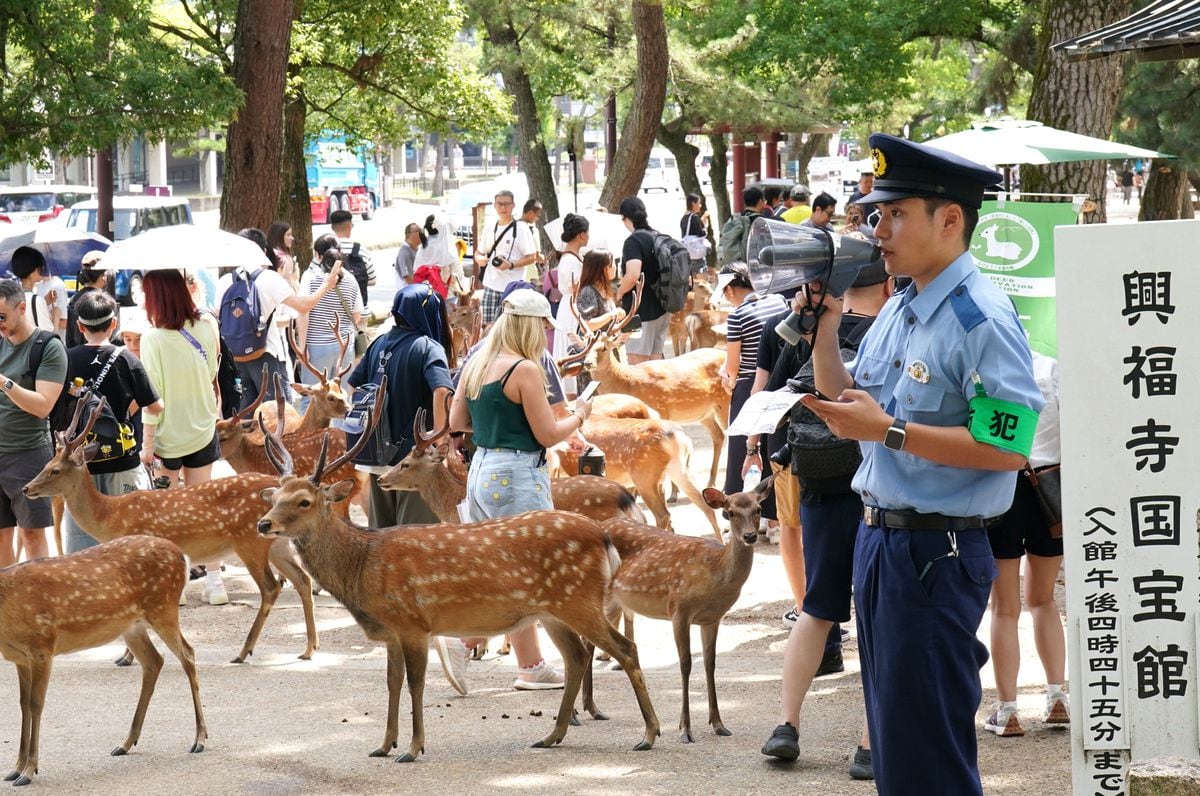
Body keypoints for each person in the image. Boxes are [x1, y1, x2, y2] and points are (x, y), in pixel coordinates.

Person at [798, 133, 1043, 794]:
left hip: (937, 553)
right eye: (877, 214)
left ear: (950, 219)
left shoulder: (978, 319)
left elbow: (1010, 444)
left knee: (928, 755)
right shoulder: (903, 305)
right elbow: (856, 398)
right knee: (896, 749)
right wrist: (823, 329)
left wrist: (894, 432)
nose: (879, 230)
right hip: (881, 542)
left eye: (896, 213)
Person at [760, 262, 893, 778]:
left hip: (819, 490)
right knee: (877, 618)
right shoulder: (893, 335)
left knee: (817, 609)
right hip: (873, 492)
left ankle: (786, 725)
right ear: (888, 284)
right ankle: (868, 743)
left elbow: (780, 394)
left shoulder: (809, 331)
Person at [444, 289, 593, 694]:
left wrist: (500, 423)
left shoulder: (478, 362)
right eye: (543, 327)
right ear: (530, 326)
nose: (546, 336)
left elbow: (458, 420)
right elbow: (546, 434)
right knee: (535, 572)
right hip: (517, 473)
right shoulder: (525, 369)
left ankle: (531, 665)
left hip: (482, 470)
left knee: (508, 570)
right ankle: (463, 638)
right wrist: (579, 414)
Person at [984, 350, 1067, 737]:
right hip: (1051, 491)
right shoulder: (1052, 367)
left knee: (1004, 608)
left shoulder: (988, 373)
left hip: (1002, 489)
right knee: (1044, 598)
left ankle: (1008, 710)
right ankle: (1057, 697)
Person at [138, 269, 229, 604]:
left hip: (166, 437)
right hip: (202, 427)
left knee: (169, 513)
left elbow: (153, 398)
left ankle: (175, 585)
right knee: (205, 508)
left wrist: (147, 445)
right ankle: (215, 581)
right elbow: (210, 373)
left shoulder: (152, 338)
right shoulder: (207, 325)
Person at [61, 290, 162, 553]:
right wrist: (128, 407)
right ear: (114, 324)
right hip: (123, 459)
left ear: (79, 326)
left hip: (80, 463)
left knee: (83, 544)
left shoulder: (65, 358)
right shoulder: (127, 358)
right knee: (129, 540)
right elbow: (156, 405)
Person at [347, 282, 454, 529]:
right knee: (413, 538)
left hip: (375, 456)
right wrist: (441, 441)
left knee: (383, 538)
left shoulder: (378, 342)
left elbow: (353, 387)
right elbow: (441, 390)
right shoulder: (428, 347)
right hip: (414, 461)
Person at [218, 239, 345, 408]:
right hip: (266, 355)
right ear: (263, 249)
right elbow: (303, 305)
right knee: (279, 416)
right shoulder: (269, 278)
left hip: (235, 360)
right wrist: (326, 286)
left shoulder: (224, 281)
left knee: (246, 420)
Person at [0, 277, 67, 566]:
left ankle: (40, 605)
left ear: (22, 307)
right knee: (2, 536)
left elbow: (43, 406)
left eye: (1, 316)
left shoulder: (48, 347)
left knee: (32, 536)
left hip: (27, 454)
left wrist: (4, 383)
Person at [717, 263, 786, 496]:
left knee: (742, 446)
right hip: (781, 379)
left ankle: (736, 501)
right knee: (774, 445)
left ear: (730, 290)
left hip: (749, 383)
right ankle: (773, 511)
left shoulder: (737, 316)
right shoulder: (778, 301)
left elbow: (733, 366)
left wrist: (727, 379)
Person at [296, 236, 362, 410]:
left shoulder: (311, 277)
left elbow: (303, 313)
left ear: (318, 255)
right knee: (342, 398)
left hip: (317, 346)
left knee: (311, 398)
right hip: (344, 346)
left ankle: (311, 437)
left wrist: (302, 348)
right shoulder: (351, 279)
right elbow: (357, 315)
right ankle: (341, 436)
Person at [615, 196, 670, 363]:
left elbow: (633, 274)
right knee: (655, 367)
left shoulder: (634, 241)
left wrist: (619, 292)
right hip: (663, 308)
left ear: (625, 217)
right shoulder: (657, 236)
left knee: (638, 366)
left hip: (640, 313)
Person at [474, 190, 538, 326]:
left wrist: (511, 265)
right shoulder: (490, 227)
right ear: (495, 205)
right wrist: (480, 259)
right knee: (487, 329)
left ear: (513, 205)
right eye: (499, 204)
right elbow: (478, 252)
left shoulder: (521, 228)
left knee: (510, 329)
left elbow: (532, 257)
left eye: (506, 204)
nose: (503, 207)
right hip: (491, 286)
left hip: (514, 287)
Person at [550, 213, 588, 395]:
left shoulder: (572, 257)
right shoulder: (570, 259)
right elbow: (571, 287)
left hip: (572, 305)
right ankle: (571, 393)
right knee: (572, 346)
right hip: (572, 306)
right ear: (581, 234)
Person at [65, 251, 116, 350]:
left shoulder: (74, 299)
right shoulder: (105, 301)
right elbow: (113, 337)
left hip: (77, 355)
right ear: (103, 277)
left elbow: (69, 337)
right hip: (103, 356)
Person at [9, 246, 59, 334]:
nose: (43, 270)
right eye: (40, 268)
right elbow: (49, 338)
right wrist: (56, 318)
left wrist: (45, 302)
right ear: (33, 271)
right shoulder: (37, 301)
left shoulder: (11, 297)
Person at [330, 209, 377, 303]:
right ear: (349, 226)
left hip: (333, 310)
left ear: (332, 228)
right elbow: (372, 280)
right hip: (360, 310)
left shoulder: (326, 251)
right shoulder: (361, 249)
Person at [680, 193, 710, 274]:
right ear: (693, 203)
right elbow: (701, 234)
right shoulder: (694, 217)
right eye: (698, 203)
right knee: (702, 278)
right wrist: (705, 226)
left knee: (692, 280)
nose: (700, 205)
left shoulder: (684, 218)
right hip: (696, 254)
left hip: (687, 254)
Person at [267, 221, 299, 290]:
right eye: (288, 235)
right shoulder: (280, 257)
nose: (292, 238)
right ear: (279, 236)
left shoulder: (275, 253)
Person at [520, 198, 546, 282]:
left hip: (517, 275)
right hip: (528, 275)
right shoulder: (532, 230)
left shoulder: (513, 227)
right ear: (530, 213)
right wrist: (541, 257)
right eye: (538, 215)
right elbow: (536, 255)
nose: (538, 218)